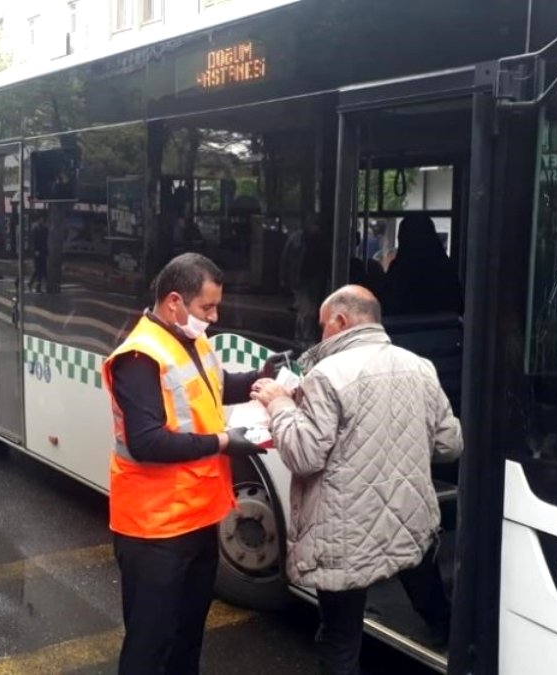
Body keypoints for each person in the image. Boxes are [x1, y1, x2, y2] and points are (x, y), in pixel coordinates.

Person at [251, 285, 462, 675]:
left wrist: (279, 403)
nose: (320, 334)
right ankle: (444, 630)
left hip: (343, 532)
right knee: (423, 582)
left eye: (322, 325)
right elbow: (450, 444)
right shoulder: (420, 366)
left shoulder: (326, 375)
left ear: (341, 320)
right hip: (408, 516)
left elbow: (303, 455)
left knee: (340, 640)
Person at [102, 252, 286, 675]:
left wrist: (260, 378)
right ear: (174, 302)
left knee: (187, 637)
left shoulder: (191, 340)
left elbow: (213, 388)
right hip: (154, 529)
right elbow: (147, 442)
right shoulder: (139, 357)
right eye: (208, 307)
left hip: (197, 518)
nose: (214, 316)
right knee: (151, 646)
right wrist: (225, 442)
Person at [380, 213, 463, 316]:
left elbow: (387, 306)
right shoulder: (446, 269)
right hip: (444, 326)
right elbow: (458, 306)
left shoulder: (398, 270)